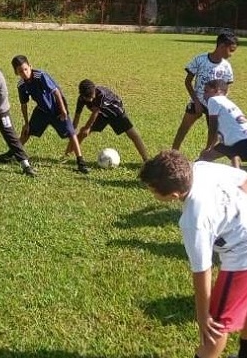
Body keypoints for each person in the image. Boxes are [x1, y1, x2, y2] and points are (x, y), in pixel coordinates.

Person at [139, 150, 247, 358]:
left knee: (214, 326)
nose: (151, 192)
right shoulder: (200, 168)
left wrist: (203, 315)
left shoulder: (193, 220)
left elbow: (202, 271)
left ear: (173, 196)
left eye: (152, 190)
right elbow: (244, 179)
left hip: (242, 257)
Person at [0, 55, 89, 174]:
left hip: (57, 110)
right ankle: (10, 154)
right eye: (20, 71)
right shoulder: (21, 85)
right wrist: (26, 123)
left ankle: (81, 162)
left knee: (71, 133)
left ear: (30, 66)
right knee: (27, 132)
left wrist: (63, 110)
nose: (24, 73)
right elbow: (24, 104)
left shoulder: (40, 76)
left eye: (26, 69)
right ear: (16, 72)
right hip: (41, 111)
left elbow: (56, 92)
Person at [171, 31, 238, 151]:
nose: (232, 54)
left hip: (215, 106)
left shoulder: (226, 67)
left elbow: (226, 88)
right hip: (198, 100)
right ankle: (173, 153)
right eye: (231, 50)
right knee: (184, 128)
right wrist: (196, 101)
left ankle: (205, 158)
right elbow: (188, 82)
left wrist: (220, 104)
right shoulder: (200, 60)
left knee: (213, 135)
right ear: (222, 46)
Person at [73, 79, 148, 162]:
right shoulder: (81, 99)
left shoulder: (101, 95)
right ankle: (68, 153)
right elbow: (77, 115)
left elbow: (95, 113)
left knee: (133, 135)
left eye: (91, 97)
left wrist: (87, 128)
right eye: (87, 98)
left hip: (116, 113)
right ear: (82, 95)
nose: (90, 100)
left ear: (94, 90)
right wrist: (72, 131)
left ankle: (146, 160)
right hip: (102, 114)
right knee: (82, 133)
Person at [198, 79, 247, 168]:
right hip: (236, 141)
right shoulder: (227, 102)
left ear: (216, 90)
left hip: (239, 143)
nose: (204, 95)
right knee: (205, 157)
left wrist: (208, 147)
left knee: (202, 160)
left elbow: (213, 127)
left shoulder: (213, 100)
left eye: (206, 91)